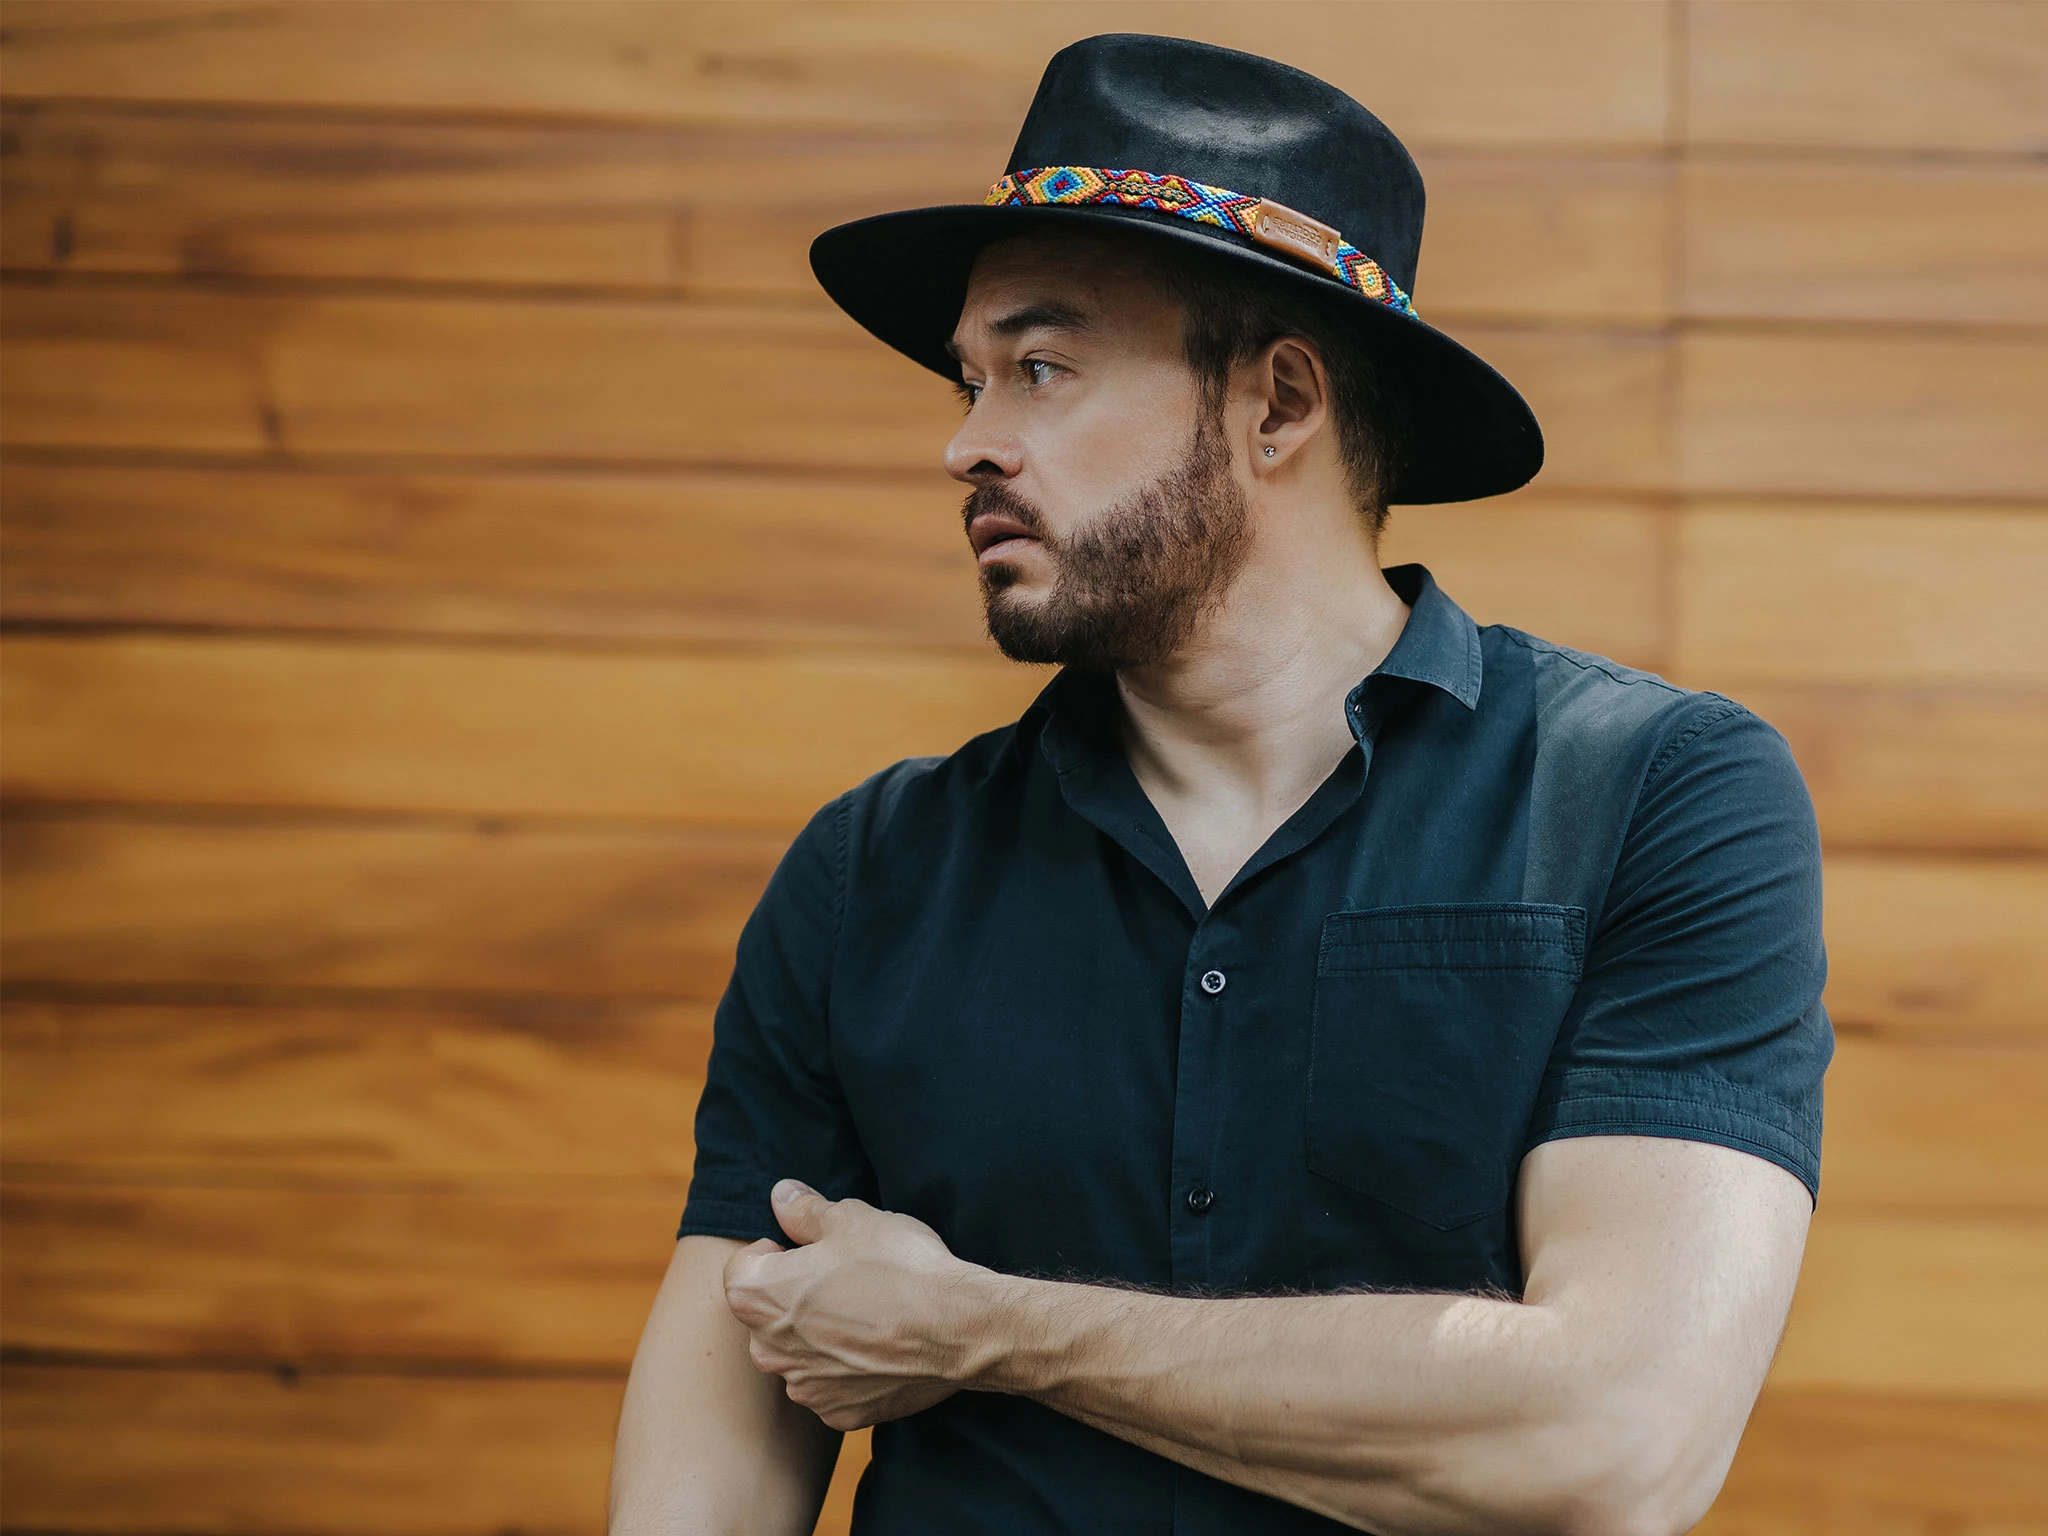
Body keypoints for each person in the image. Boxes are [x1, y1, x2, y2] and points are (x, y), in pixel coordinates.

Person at [609, 34, 1830, 1536]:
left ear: (1278, 406)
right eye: (971, 380)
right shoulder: (875, 869)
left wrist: (982, 1328)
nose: (967, 444)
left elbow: (1617, 1438)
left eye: (1041, 370)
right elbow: (705, 1472)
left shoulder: (1652, 798)